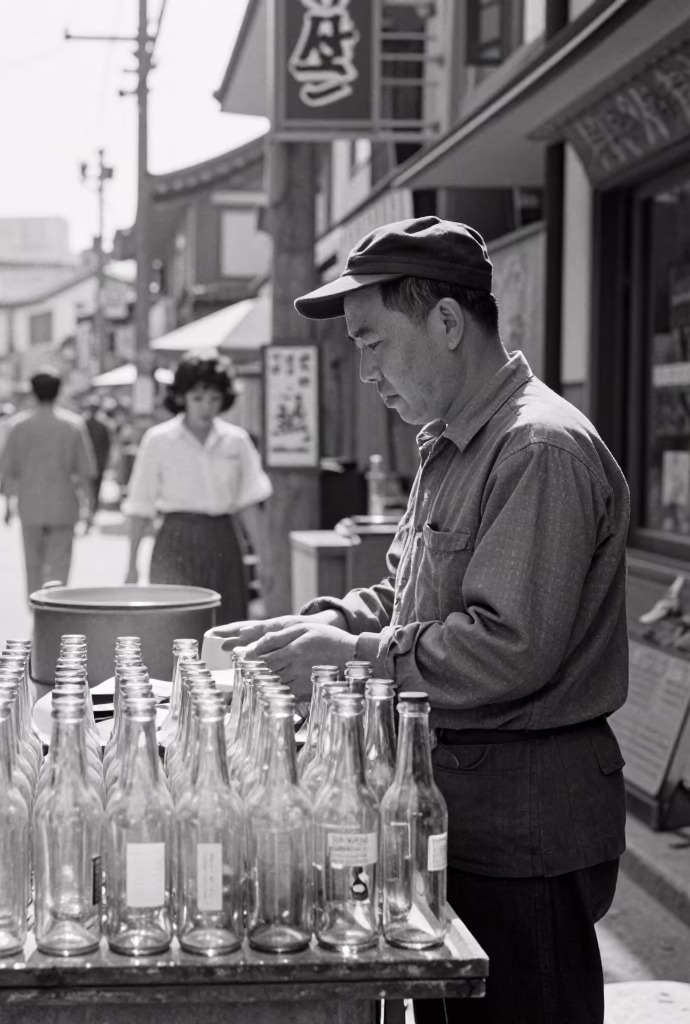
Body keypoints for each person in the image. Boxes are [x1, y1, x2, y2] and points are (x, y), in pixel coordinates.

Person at [217, 217, 629, 1024]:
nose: (365, 370)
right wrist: (324, 625)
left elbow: (508, 647)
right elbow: (413, 595)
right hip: (456, 810)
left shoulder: (536, 448)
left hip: (523, 831)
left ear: (446, 322)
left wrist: (356, 657)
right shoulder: (453, 443)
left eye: (372, 342)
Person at [123, 350, 272, 623]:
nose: (206, 406)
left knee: (226, 625)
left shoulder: (236, 441)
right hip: (175, 540)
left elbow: (249, 503)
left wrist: (263, 559)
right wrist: (131, 564)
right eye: (198, 398)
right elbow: (139, 505)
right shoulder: (158, 440)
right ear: (181, 397)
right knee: (173, 627)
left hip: (223, 539)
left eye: (214, 398)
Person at [0, 367, 96, 595]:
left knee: (33, 564)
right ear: (59, 392)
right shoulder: (73, 425)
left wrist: (7, 506)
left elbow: (9, 472)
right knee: (60, 563)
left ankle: (36, 612)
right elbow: (84, 472)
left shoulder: (19, 426)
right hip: (64, 504)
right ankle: (57, 608)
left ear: (32, 392)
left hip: (30, 505)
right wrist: (90, 507)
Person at [83, 397, 113, 523]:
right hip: (92, 462)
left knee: (91, 488)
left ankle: (90, 511)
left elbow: (107, 445)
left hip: (94, 462)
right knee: (91, 488)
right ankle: (90, 511)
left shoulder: (98, 424)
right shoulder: (84, 424)